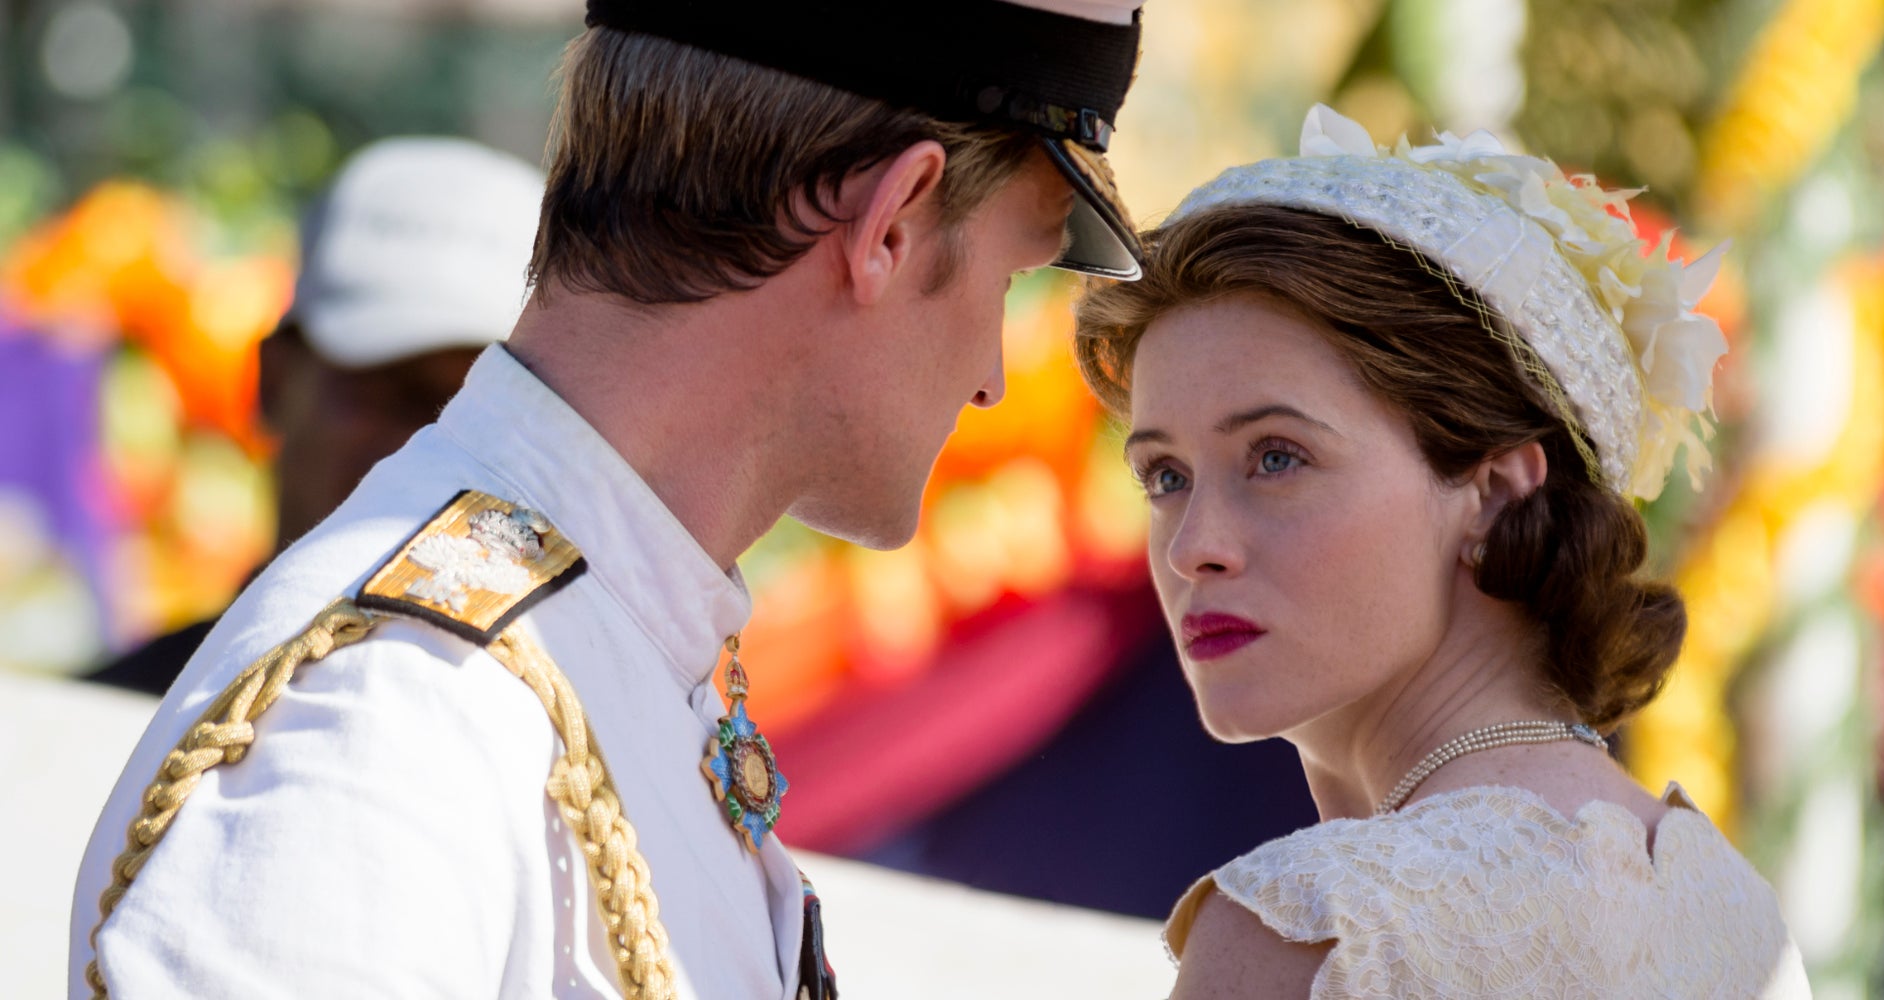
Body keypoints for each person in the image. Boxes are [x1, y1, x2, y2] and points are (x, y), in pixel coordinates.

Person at [69, 2, 1146, 999]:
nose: (990, 379)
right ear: (893, 222)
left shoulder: (586, 640)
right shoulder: (392, 712)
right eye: (1010, 275)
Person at [1072, 105, 1812, 997]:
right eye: (1164, 476)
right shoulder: (1735, 910)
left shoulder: (1314, 927)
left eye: (1276, 458)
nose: (1194, 548)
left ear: (1496, 492)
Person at [87, 136, 545, 697]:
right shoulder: (96, 731)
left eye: (483, 417)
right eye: (393, 393)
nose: (431, 450)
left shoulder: (576, 762)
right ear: (274, 381)